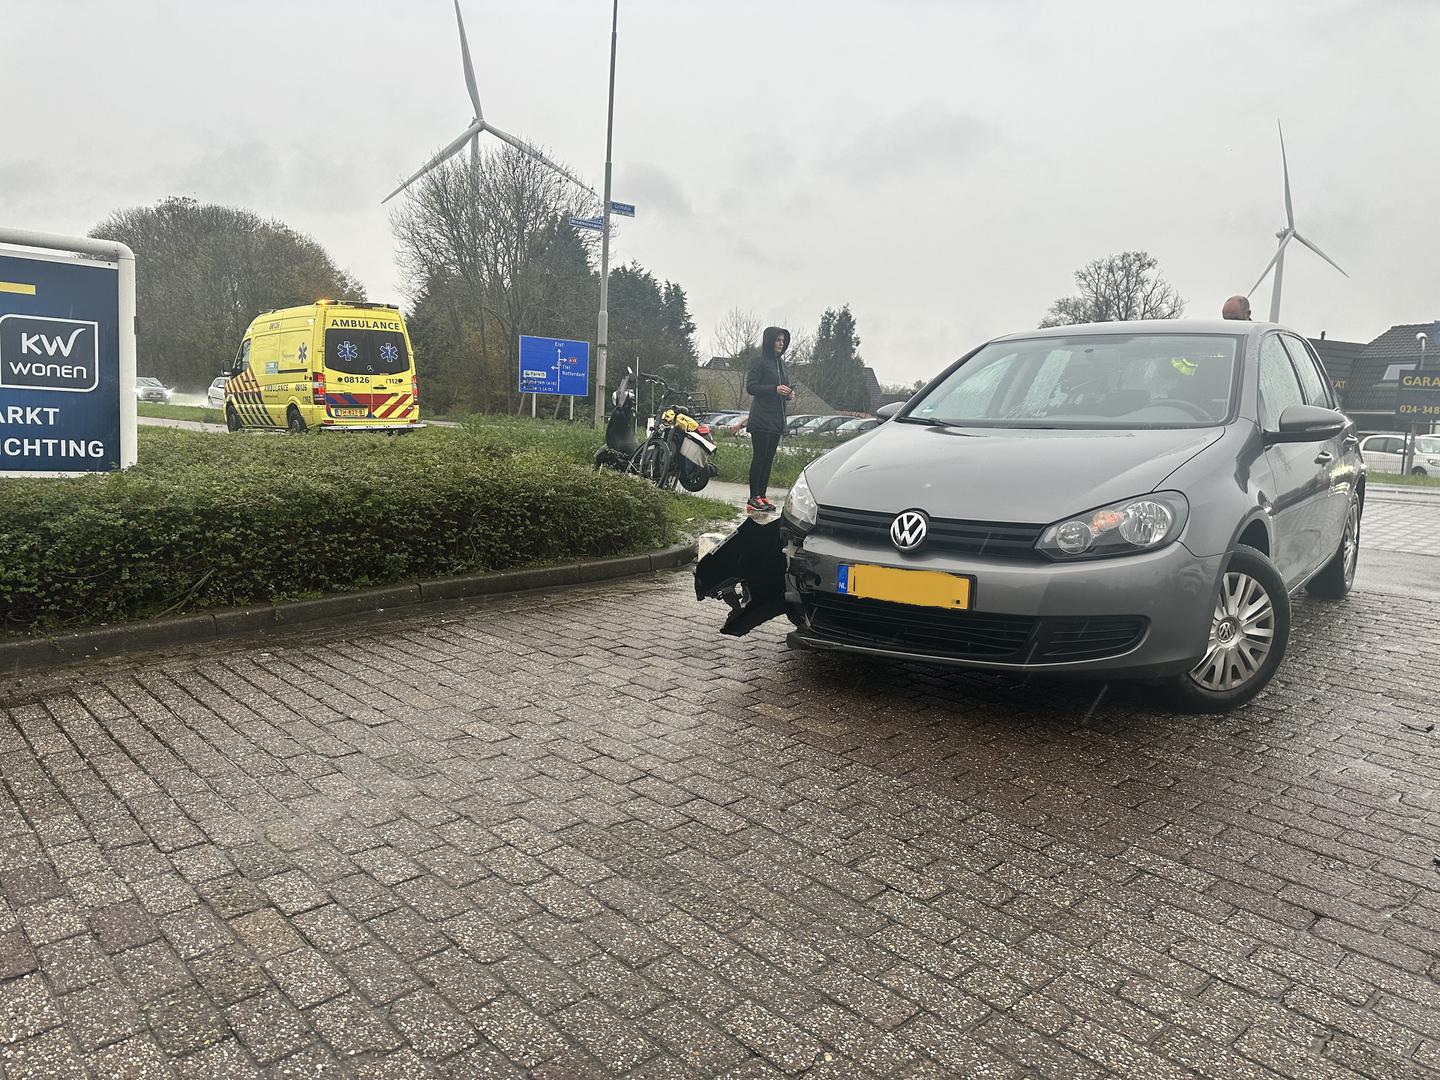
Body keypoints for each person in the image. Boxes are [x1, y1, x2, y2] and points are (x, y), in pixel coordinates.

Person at [744, 326, 794, 512]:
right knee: (759, 457)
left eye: (783, 341)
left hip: (776, 419)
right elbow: (751, 387)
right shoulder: (759, 362)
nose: (781, 343)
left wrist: (788, 393)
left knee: (769, 459)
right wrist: (774, 389)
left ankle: (762, 495)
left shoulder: (781, 364)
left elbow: (783, 386)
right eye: (778, 340)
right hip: (761, 418)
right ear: (769, 341)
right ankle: (753, 497)